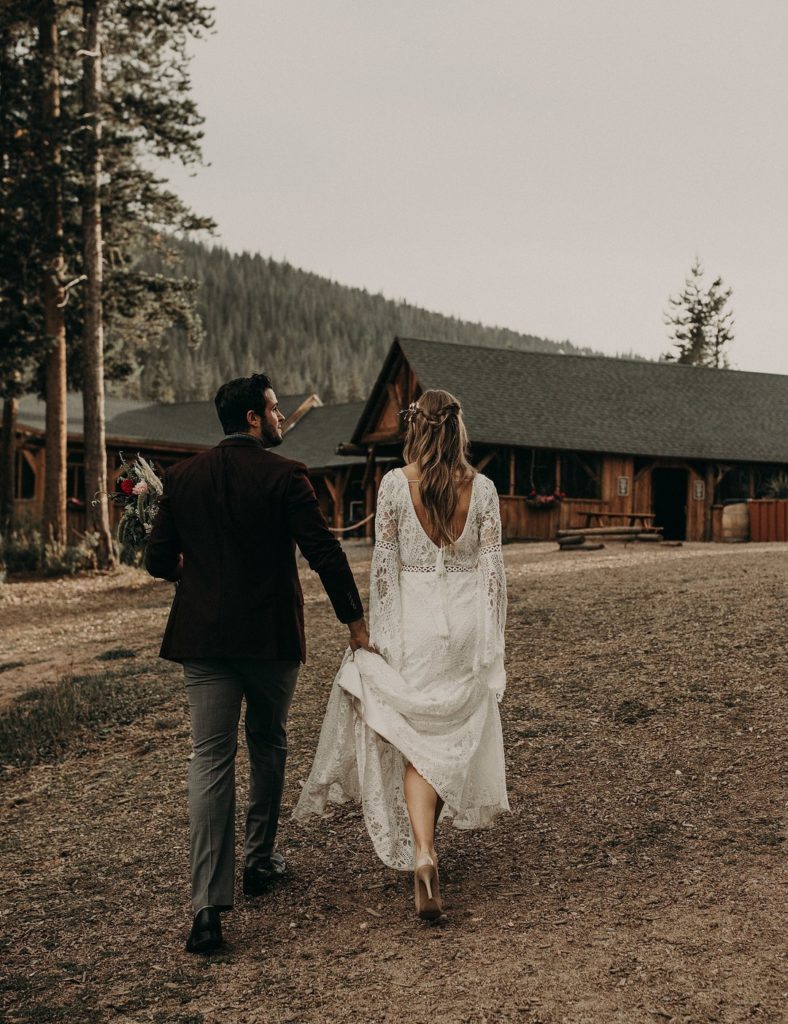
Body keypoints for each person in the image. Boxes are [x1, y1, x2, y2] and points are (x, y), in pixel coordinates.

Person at [146, 373, 369, 953]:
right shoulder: (285, 475)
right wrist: (355, 622)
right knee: (267, 742)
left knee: (210, 760)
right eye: (273, 409)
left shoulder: (181, 478)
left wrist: (191, 578)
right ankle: (259, 861)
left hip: (203, 641)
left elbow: (156, 561)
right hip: (269, 640)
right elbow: (323, 551)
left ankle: (206, 909)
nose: (280, 416)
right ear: (251, 417)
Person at [294, 389, 509, 920]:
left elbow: (384, 570)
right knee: (444, 734)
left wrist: (378, 637)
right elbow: (493, 575)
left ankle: (422, 851)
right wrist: (490, 640)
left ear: (416, 427)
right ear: (458, 429)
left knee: (415, 741)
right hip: (460, 623)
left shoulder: (394, 484)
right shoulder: (481, 489)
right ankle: (428, 847)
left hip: (412, 622)